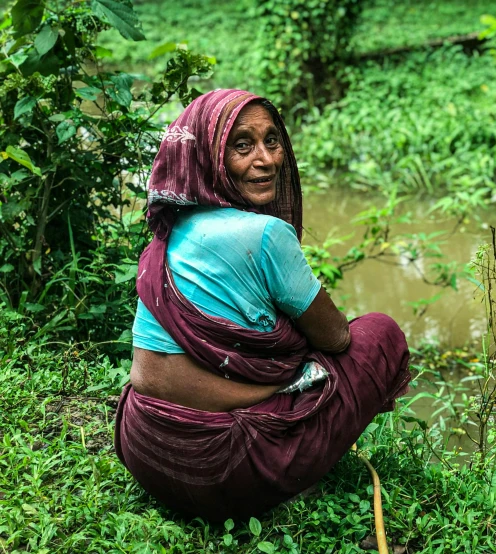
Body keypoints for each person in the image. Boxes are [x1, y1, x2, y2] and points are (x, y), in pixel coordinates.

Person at [114, 89, 411, 521]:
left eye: (272, 141)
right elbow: (335, 335)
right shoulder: (267, 234)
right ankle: (293, 473)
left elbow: (153, 373)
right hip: (224, 470)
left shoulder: (170, 229)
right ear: (209, 156)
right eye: (242, 145)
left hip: (143, 448)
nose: (267, 159)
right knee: (379, 334)